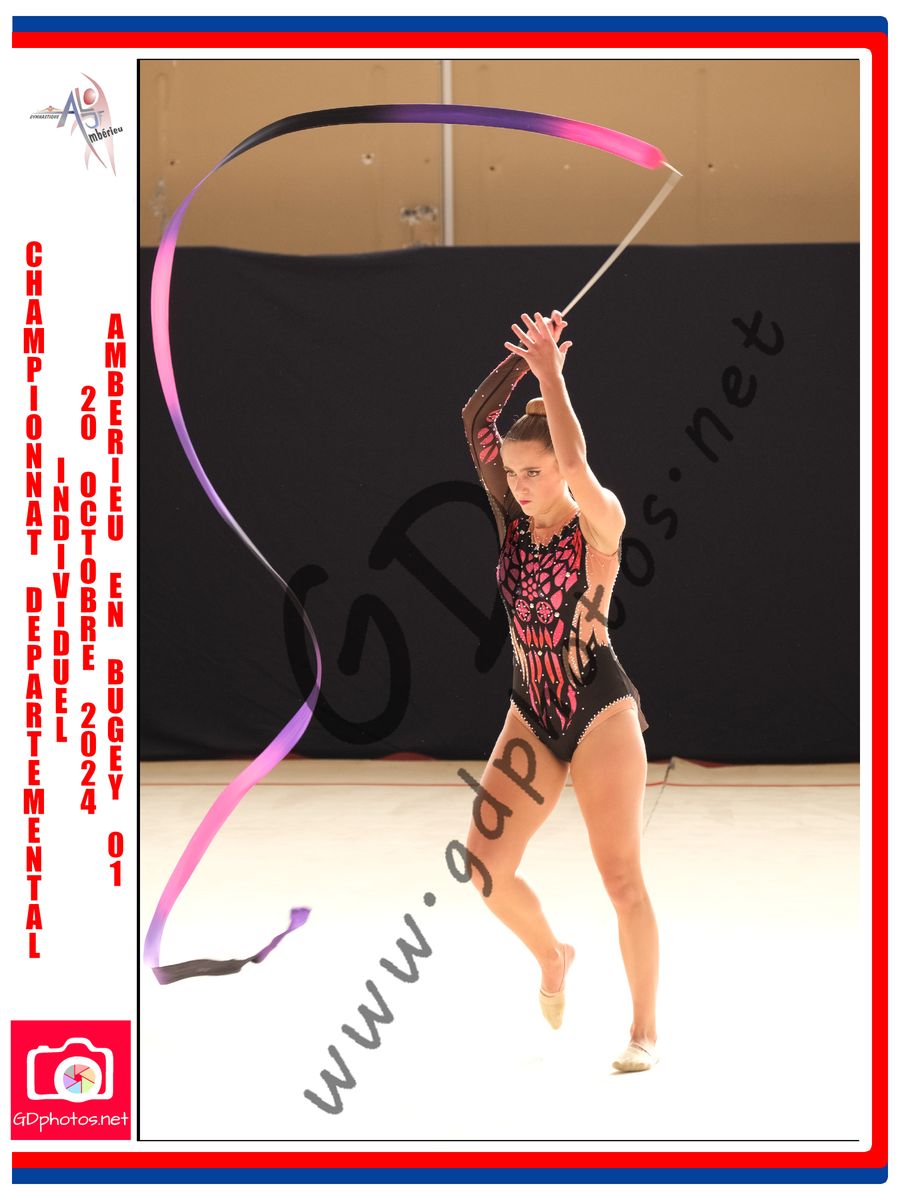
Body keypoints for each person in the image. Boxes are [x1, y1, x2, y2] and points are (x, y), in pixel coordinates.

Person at [460, 309, 659, 1072]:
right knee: (484, 866)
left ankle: (644, 1031)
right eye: (512, 474)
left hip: (598, 708)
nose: (519, 485)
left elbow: (576, 465)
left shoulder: (597, 523)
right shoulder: (514, 522)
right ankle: (552, 955)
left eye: (533, 473)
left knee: (621, 878)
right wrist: (520, 363)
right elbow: (475, 421)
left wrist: (551, 374)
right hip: (531, 713)